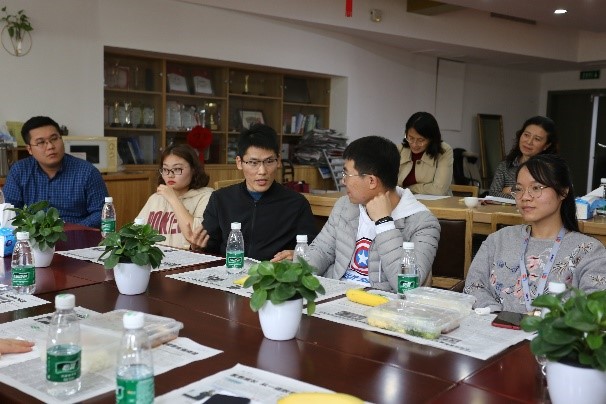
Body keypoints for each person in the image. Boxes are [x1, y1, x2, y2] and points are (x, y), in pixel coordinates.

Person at [274, 136, 440, 292]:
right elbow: (322, 251)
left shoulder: (423, 223)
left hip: (383, 306)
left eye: (347, 174)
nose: (343, 181)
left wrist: (384, 223)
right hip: (335, 295)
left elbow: (407, 286)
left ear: (371, 181)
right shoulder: (345, 206)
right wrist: (290, 273)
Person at [465, 154, 606, 314]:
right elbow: (473, 286)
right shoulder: (498, 239)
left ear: (563, 191)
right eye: (519, 189)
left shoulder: (589, 251)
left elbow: (595, 310)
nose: (525, 197)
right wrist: (500, 318)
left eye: (536, 188)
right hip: (494, 327)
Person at [189, 124, 317, 261]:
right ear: (239, 162)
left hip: (273, 272)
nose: (262, 171)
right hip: (230, 270)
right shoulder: (220, 199)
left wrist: (297, 255)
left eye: (269, 161)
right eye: (253, 163)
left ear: (279, 161)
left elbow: (313, 250)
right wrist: (197, 247)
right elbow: (209, 247)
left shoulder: (296, 204)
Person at [4, 116, 108, 227]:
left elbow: (101, 213)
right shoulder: (19, 171)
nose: (50, 146)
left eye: (54, 139)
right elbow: (9, 211)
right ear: (29, 149)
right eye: (41, 142)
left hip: (77, 234)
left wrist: (73, 230)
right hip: (32, 235)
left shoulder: (87, 172)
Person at [137, 143, 213, 249]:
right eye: (165, 169)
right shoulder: (156, 198)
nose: (170, 175)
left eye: (177, 169)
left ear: (193, 169)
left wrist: (173, 199)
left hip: (187, 257)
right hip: (154, 257)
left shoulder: (207, 196)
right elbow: (135, 233)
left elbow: (197, 237)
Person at [489, 116, 558, 199]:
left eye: (537, 139)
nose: (529, 142)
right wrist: (519, 193)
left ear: (546, 146)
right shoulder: (505, 166)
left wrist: (510, 190)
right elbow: (493, 195)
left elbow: (541, 199)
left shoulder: (549, 170)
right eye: (526, 135)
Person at [397, 112, 453, 196]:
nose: (414, 144)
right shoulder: (399, 149)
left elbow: (439, 190)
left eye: (421, 140)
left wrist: (408, 188)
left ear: (431, 138)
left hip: (436, 203)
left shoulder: (444, 151)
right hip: (405, 201)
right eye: (411, 138)